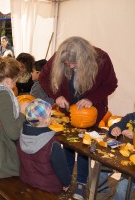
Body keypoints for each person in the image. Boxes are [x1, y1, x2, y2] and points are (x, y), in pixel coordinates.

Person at [39, 36, 118, 200]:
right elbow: (43, 78)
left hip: (90, 111)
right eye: (67, 64)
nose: (70, 66)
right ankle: (65, 177)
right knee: (68, 143)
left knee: (84, 145)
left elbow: (111, 84)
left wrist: (91, 99)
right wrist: (57, 95)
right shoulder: (61, 56)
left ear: (84, 58)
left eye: (74, 63)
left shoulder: (102, 59)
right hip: (68, 109)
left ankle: (81, 182)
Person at [17, 98, 71, 194]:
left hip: (26, 180)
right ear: (46, 120)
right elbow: (62, 168)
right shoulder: (52, 143)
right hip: (48, 187)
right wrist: (66, 182)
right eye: (50, 115)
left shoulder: (21, 135)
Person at [98, 112, 135, 200]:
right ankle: (104, 191)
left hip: (133, 165)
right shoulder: (130, 117)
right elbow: (115, 125)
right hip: (124, 153)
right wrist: (115, 128)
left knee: (122, 189)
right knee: (102, 167)